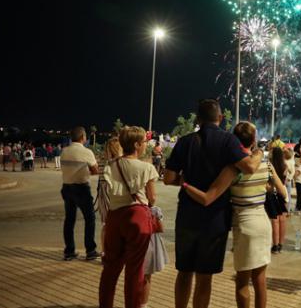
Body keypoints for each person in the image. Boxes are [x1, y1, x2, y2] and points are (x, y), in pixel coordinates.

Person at [163, 99, 262, 308]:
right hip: (215, 218)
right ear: (220, 118)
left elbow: (168, 178)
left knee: (184, 271)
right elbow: (249, 167)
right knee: (204, 276)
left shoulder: (185, 141)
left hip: (187, 214)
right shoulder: (228, 141)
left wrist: (186, 182)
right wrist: (259, 151)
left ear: (197, 119)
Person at [183, 121, 286, 308]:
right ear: (254, 140)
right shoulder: (265, 163)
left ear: (234, 140)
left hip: (244, 224)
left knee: (242, 282)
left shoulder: (232, 168)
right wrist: (263, 188)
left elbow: (210, 196)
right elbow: (283, 193)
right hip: (263, 223)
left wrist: (184, 184)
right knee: (260, 281)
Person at [99, 126, 159, 308]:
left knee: (110, 268)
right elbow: (152, 197)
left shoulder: (111, 165)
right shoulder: (146, 167)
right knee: (135, 270)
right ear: (136, 144)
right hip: (137, 217)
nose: (145, 146)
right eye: (144, 143)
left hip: (114, 216)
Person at [60, 127, 100, 261]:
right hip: (81, 188)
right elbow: (95, 171)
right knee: (90, 219)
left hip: (66, 187)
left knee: (69, 220)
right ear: (83, 137)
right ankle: (90, 251)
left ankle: (69, 251)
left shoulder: (64, 151)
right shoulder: (86, 152)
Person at [269, 147, 288, 253]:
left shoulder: (270, 165)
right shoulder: (284, 166)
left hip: (272, 192)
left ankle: (275, 245)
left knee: (275, 220)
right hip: (282, 192)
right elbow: (286, 179)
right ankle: (281, 244)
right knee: (283, 219)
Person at [282, 148, 295, 212]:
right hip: (288, 180)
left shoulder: (283, 162)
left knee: (284, 195)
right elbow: (293, 172)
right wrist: (289, 178)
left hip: (284, 180)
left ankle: (285, 209)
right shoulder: (291, 162)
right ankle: (288, 209)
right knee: (288, 195)